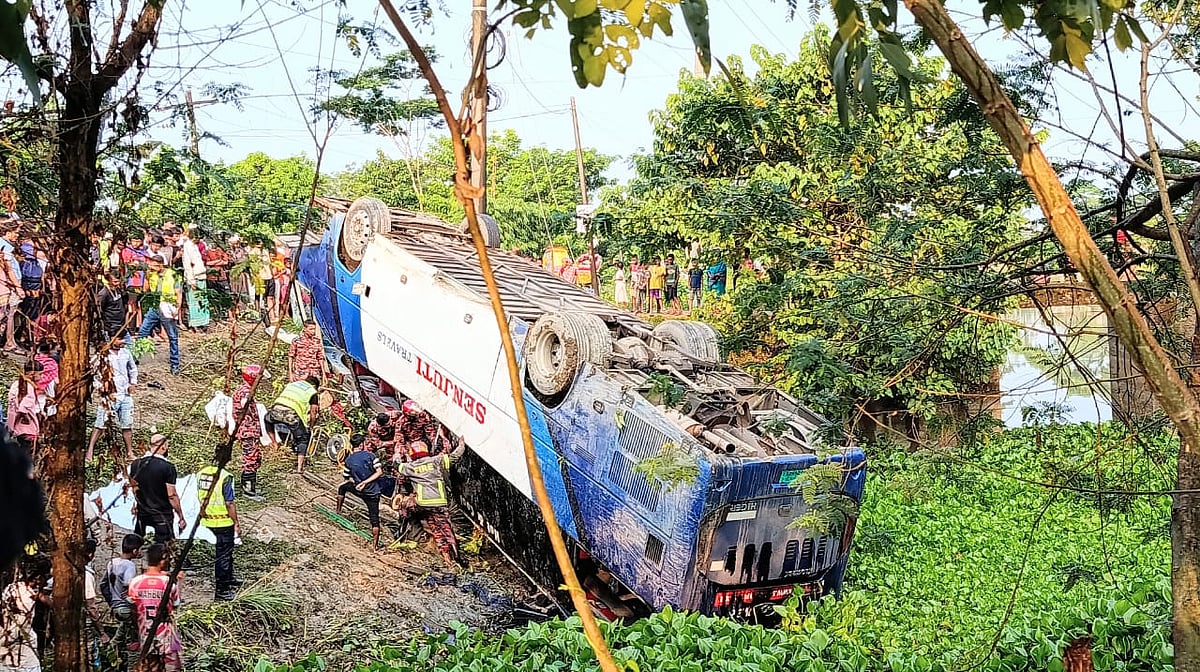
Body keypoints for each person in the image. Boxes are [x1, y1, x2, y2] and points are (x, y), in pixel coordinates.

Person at [393, 438, 466, 566]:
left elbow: (397, 465)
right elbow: (455, 456)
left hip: (422, 504)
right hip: (439, 503)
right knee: (445, 529)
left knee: (410, 512)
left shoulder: (411, 467)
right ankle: (455, 557)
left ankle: (445, 557)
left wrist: (398, 453)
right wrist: (461, 444)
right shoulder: (437, 461)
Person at [127, 543, 184, 672]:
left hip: (145, 636)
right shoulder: (168, 583)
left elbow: (133, 610)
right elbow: (176, 604)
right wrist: (180, 582)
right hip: (166, 638)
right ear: (163, 558)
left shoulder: (135, 582)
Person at [86, 337, 139, 462]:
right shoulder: (102, 355)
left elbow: (133, 368)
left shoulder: (126, 353)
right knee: (100, 424)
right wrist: (102, 389)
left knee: (127, 424)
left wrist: (133, 383)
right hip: (109, 396)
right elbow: (94, 374)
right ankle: (90, 450)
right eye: (120, 339)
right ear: (112, 339)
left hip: (125, 394)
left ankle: (129, 452)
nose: (123, 342)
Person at [197, 461, 242, 601]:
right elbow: (229, 502)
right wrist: (236, 523)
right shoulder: (225, 476)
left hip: (207, 519)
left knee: (226, 554)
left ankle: (229, 578)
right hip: (223, 521)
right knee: (224, 555)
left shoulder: (201, 473)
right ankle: (222, 589)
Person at [129, 434, 186, 542]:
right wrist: (180, 515)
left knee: (136, 541)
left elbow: (134, 488)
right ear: (163, 447)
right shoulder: (168, 467)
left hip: (142, 511)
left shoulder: (135, 464)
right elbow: (172, 495)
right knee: (164, 548)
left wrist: (136, 505)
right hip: (162, 514)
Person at [336, 434, 384, 550]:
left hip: (359, 490)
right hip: (373, 493)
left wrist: (359, 483)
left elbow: (346, 477)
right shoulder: (371, 456)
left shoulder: (348, 460)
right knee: (374, 518)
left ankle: (338, 510)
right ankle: (375, 546)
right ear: (362, 444)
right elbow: (379, 472)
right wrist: (366, 482)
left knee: (342, 488)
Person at [137, 254, 182, 375]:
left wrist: (177, 308)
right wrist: (146, 277)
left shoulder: (173, 274)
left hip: (168, 306)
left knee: (172, 336)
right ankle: (135, 358)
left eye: (155, 265)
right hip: (155, 306)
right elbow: (145, 290)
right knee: (143, 332)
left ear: (161, 264)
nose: (152, 267)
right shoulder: (151, 274)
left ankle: (175, 364)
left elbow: (178, 293)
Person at [0, 557, 46, 672]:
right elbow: (18, 629)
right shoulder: (26, 600)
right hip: (22, 659)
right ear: (38, 578)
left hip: (6, 657)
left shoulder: (12, 588)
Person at [266, 375, 320, 473]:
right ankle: (299, 467)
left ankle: (274, 443)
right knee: (303, 438)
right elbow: (313, 412)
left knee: (267, 420)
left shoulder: (293, 384)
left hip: (277, 408)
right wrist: (310, 426)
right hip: (291, 414)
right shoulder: (312, 392)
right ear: (315, 386)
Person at [100, 533, 142, 651]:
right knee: (133, 642)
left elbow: (103, 585)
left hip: (116, 607)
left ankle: (110, 648)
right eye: (140, 549)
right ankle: (132, 666)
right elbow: (129, 585)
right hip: (126, 608)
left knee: (123, 630)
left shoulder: (112, 563)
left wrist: (112, 602)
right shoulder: (129, 565)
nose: (140, 552)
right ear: (134, 551)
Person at [231, 365, 266, 501]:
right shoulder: (245, 392)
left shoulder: (247, 390)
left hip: (251, 430)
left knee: (255, 457)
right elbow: (245, 404)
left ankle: (251, 485)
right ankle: (248, 490)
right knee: (250, 459)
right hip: (247, 431)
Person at [6, 360, 44, 454]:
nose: (42, 376)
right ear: (32, 374)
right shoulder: (29, 387)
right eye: (40, 374)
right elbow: (24, 406)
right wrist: (25, 416)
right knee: (26, 454)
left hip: (16, 426)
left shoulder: (15, 384)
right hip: (27, 427)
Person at [179, 226, 210, 332]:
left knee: (203, 300)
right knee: (194, 301)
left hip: (201, 275)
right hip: (194, 278)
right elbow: (187, 264)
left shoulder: (195, 246)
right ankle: (195, 324)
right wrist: (191, 280)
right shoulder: (187, 246)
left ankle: (203, 323)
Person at [0, 222, 24, 353]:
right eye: (15, 232)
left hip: (8, 283)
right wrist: (18, 286)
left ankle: (10, 341)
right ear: (8, 232)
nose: (17, 235)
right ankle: (9, 342)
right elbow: (9, 269)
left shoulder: (8, 246)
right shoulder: (5, 246)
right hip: (8, 284)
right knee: (8, 313)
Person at [97, 272, 130, 342]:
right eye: (115, 282)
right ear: (109, 281)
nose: (117, 283)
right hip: (111, 327)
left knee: (130, 347)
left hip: (121, 325)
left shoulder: (118, 290)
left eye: (118, 281)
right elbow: (99, 309)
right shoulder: (104, 293)